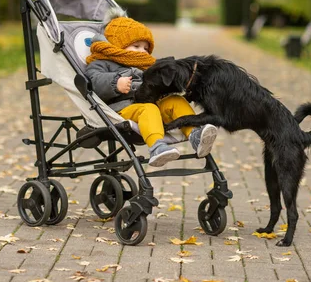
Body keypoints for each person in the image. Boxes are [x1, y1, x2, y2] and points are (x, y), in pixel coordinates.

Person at [85, 9, 217, 167]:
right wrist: (115, 83)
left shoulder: (145, 64)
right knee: (148, 109)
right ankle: (156, 147)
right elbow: (93, 82)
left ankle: (194, 135)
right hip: (122, 109)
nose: (143, 52)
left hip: (152, 107)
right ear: (118, 45)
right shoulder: (101, 62)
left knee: (175, 100)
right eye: (136, 46)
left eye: (146, 48)